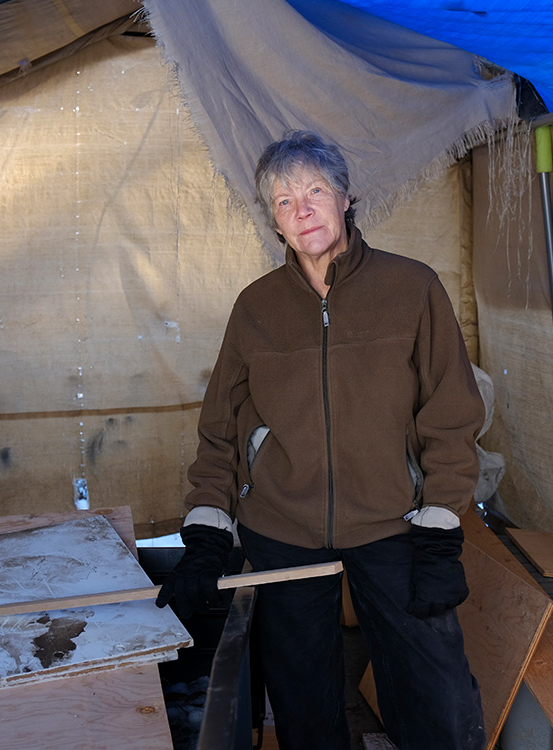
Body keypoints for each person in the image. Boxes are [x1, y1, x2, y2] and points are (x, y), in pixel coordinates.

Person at [156, 130, 486, 749]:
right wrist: (205, 538)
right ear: (275, 223)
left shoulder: (412, 289)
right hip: (283, 529)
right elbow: (220, 428)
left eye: (313, 191)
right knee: (305, 708)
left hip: (394, 522)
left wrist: (441, 528)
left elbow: (450, 412)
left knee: (436, 697)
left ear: (345, 198)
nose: (301, 209)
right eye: (283, 201)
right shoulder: (255, 309)